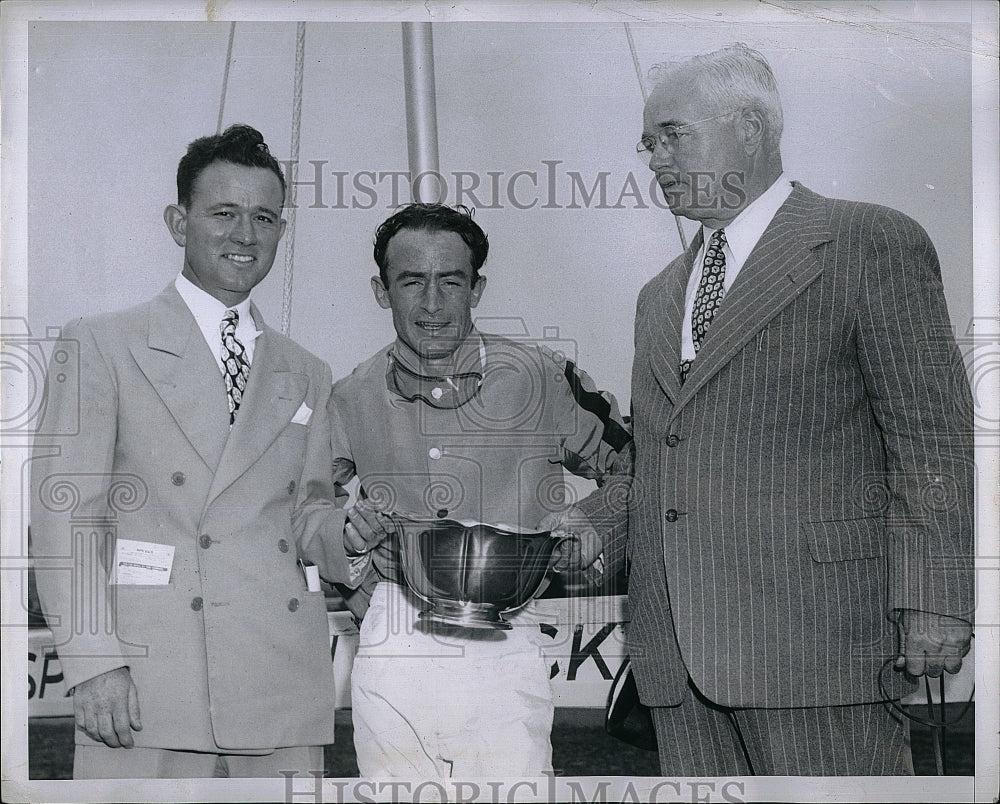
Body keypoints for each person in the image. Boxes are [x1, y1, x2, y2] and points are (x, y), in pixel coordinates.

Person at [576, 43, 975, 775]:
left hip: (819, 650)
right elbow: (661, 460)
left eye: (673, 136)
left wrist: (936, 599)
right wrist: (585, 524)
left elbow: (932, 438)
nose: (656, 159)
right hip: (676, 663)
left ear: (750, 130)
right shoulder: (659, 295)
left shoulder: (867, 241)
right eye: (648, 143)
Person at [29, 124, 356, 779]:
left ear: (281, 233)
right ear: (179, 223)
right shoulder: (102, 345)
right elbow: (68, 513)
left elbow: (310, 512)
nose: (245, 234)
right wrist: (94, 663)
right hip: (149, 686)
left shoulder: (308, 372)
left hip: (279, 688)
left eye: (264, 217)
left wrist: (360, 535)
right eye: (224, 213)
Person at [328, 203, 629, 777]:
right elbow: (301, 503)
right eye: (411, 282)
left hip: (508, 640)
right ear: (380, 289)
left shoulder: (544, 377)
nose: (433, 304)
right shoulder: (350, 396)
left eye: (452, 281)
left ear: (478, 287)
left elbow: (639, 466)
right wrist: (356, 560)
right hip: (392, 644)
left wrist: (595, 521)